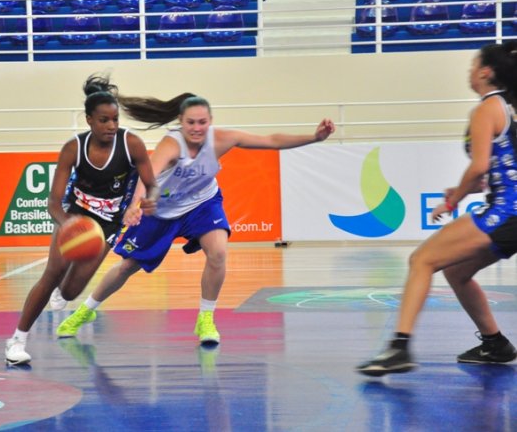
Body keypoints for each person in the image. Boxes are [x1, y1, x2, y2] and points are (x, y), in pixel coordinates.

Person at [56, 93, 335, 344]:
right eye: (191, 122)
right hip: (162, 210)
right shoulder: (171, 145)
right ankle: (86, 311)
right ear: (181, 121)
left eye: (202, 122)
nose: (197, 128)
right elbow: (148, 174)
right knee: (128, 266)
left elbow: (271, 141)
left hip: (202, 203)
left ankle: (206, 319)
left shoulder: (222, 139)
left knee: (218, 253)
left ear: (210, 121)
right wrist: (134, 205)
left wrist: (315, 137)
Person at [357, 42, 517, 377]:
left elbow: (478, 168)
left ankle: (399, 348)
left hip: (507, 211)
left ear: (486, 72)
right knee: (455, 271)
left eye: (473, 65)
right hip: (509, 211)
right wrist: (463, 190)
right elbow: (492, 172)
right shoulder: (508, 107)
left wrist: (452, 201)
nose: (469, 71)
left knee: (422, 260)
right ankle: (495, 343)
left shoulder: (487, 108)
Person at [5, 75, 159, 366]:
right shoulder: (73, 148)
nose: (111, 125)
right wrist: (69, 225)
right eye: (104, 120)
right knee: (51, 274)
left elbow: (152, 185)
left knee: (70, 291)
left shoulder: (131, 144)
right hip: (76, 214)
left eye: (115, 119)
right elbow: (53, 202)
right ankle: (17, 340)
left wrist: (144, 203)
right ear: (89, 120)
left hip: (108, 224)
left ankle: (63, 289)